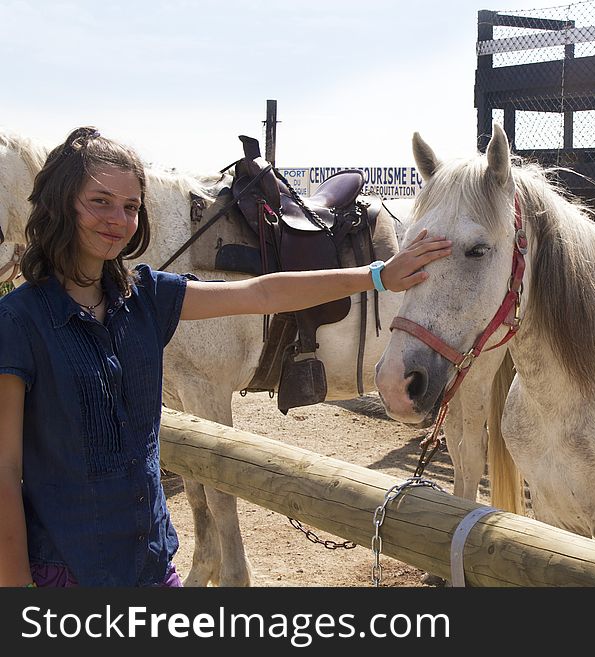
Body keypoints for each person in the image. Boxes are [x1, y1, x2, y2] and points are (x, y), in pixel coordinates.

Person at [0, 126, 451, 587]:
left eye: (131, 206)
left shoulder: (145, 297)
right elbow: (6, 470)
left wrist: (378, 275)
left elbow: (261, 292)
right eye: (100, 201)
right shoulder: (16, 322)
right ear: (61, 203)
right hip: (67, 574)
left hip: (152, 563)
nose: (118, 218)